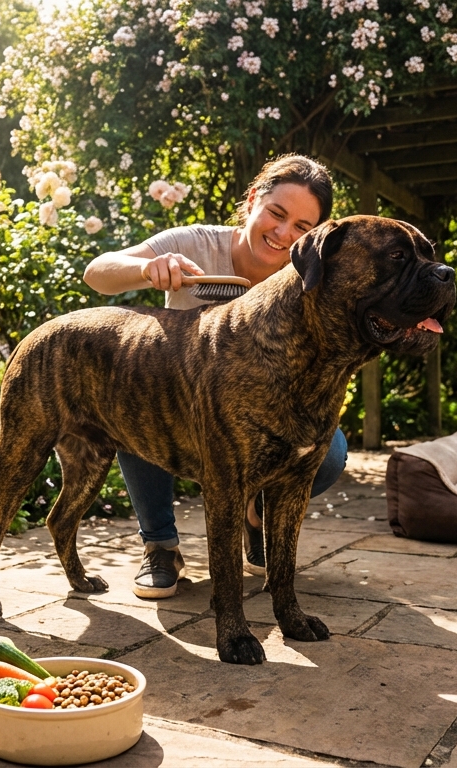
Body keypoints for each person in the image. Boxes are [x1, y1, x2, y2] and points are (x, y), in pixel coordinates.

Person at [82, 154, 349, 599]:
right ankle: (160, 546)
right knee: (133, 401)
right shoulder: (195, 243)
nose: (284, 234)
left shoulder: (310, 272)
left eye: (302, 227)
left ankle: (255, 516)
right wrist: (147, 269)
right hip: (182, 406)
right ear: (252, 202)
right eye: (276, 214)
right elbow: (97, 274)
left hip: (271, 416)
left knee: (329, 454)